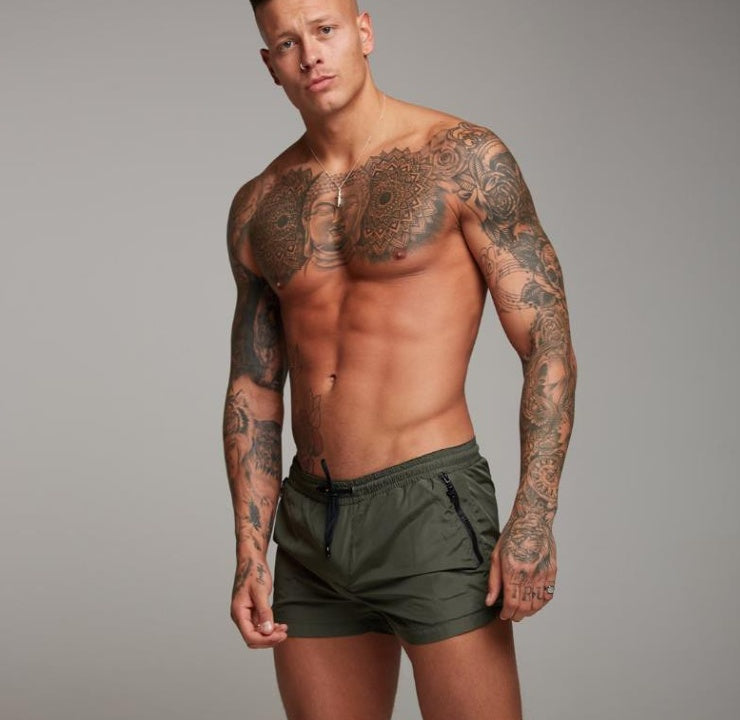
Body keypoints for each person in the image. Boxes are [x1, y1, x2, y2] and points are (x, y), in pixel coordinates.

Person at [222, 0, 577, 717]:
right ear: (269, 64)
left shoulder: (461, 158)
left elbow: (547, 342)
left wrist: (534, 514)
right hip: (309, 523)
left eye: (324, 30)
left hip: (429, 505)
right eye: (287, 43)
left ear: (364, 31)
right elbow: (254, 387)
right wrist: (250, 551)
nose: (310, 55)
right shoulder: (259, 203)